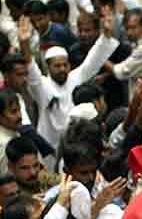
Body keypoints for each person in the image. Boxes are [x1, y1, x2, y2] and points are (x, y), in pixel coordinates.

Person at [17, 10, 118, 156]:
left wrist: (106, 34)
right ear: (48, 67)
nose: (62, 69)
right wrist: (24, 44)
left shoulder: (75, 78)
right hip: (49, 145)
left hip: (75, 144)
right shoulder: (42, 85)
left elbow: (93, 60)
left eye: (65, 65)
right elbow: (31, 68)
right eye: (57, 66)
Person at [0, 89, 23, 175]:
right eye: (13, 111)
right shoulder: (5, 144)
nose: (19, 115)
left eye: (19, 110)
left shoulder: (12, 132)